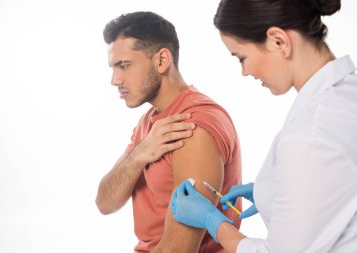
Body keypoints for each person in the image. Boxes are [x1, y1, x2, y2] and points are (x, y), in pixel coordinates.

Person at [170, 0, 357, 252]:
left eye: (241, 58)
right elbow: (337, 185)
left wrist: (212, 221)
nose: (245, 72)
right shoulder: (346, 93)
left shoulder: (309, 135)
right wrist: (268, 193)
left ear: (278, 41)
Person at [95, 11, 242, 252]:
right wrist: (140, 154)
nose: (115, 79)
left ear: (162, 60)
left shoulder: (192, 125)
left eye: (124, 66)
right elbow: (105, 202)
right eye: (113, 67)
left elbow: (179, 250)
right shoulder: (150, 124)